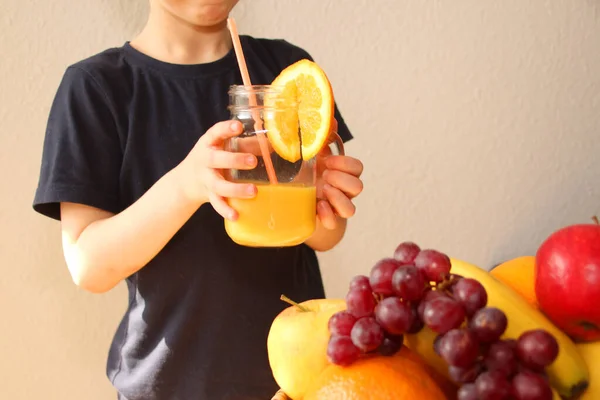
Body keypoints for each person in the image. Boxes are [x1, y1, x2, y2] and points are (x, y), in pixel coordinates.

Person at [32, 1, 364, 399]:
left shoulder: (288, 71)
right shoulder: (97, 87)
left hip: (296, 382)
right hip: (168, 385)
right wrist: (185, 186)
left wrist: (321, 194)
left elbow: (326, 236)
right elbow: (89, 266)